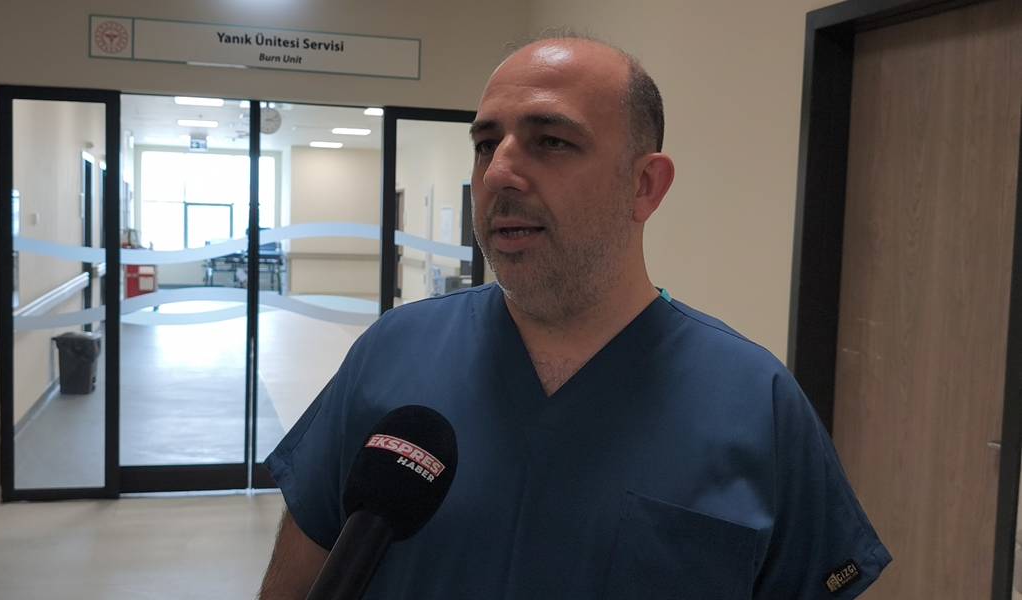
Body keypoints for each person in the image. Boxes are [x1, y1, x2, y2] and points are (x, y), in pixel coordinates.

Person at [258, 34, 891, 599]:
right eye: (486, 144)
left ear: (645, 186)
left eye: (552, 141)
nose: (498, 172)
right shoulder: (392, 353)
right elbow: (297, 579)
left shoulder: (756, 403)